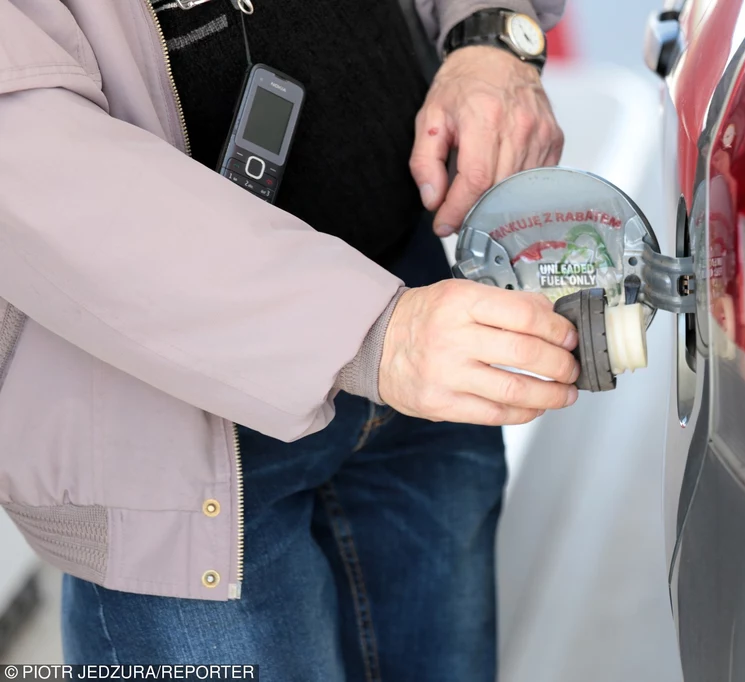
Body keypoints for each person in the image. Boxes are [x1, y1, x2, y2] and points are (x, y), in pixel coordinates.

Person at [0, 0, 570, 678]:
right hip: (166, 430)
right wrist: (366, 331)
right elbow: (29, 158)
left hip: (420, 306)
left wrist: (489, 33)